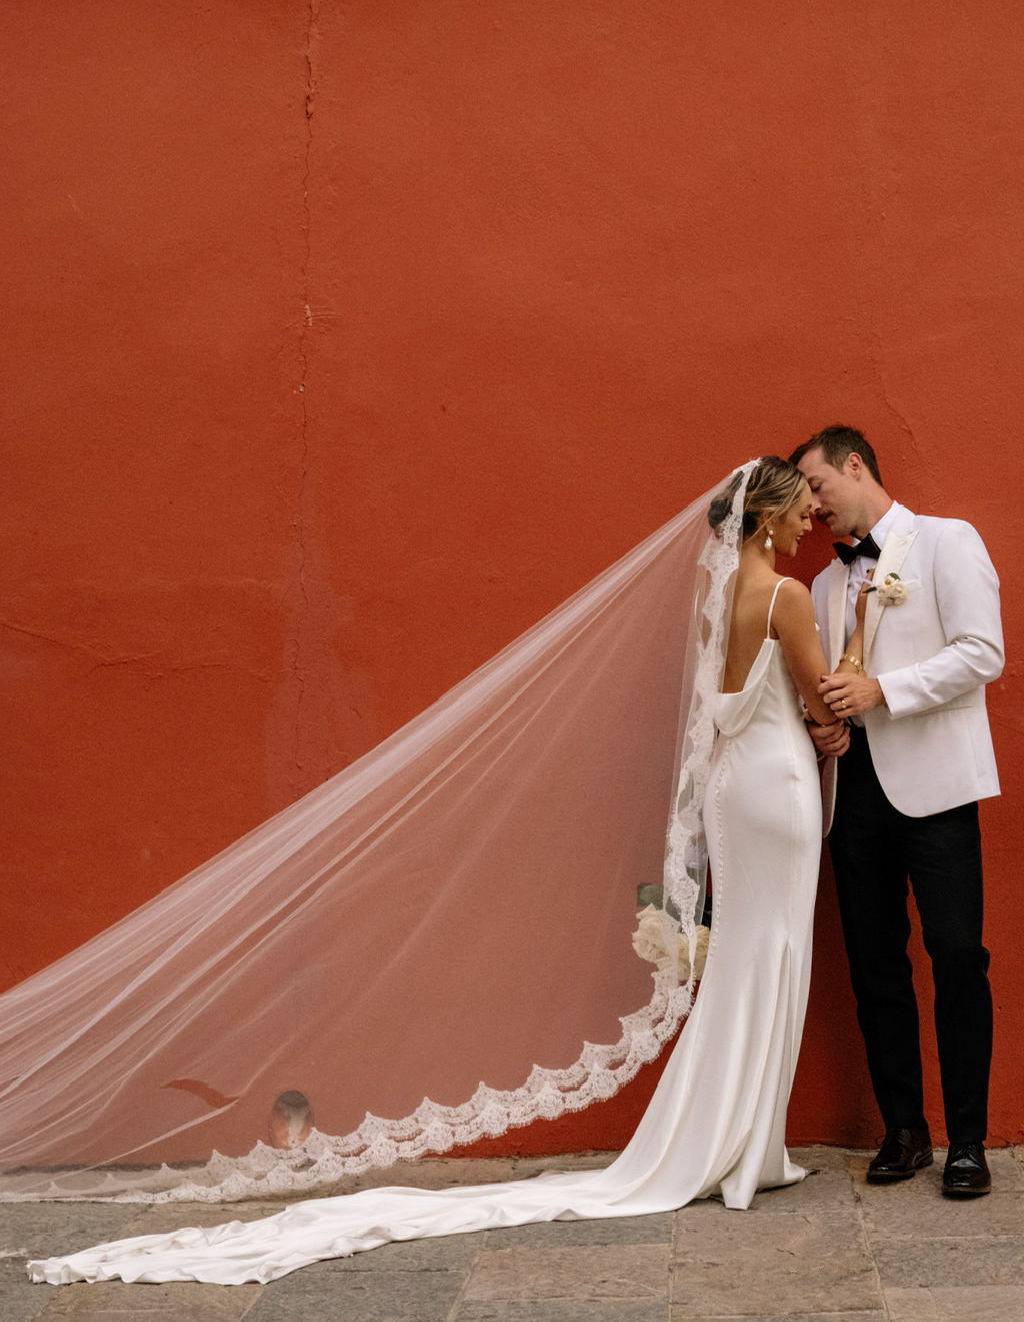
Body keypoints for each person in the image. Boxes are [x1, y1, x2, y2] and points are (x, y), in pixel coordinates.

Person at [25, 458, 835, 1286]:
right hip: (778, 783)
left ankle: (730, 1140)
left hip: (737, 790)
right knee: (774, 949)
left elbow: (717, 704)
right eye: (802, 512)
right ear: (766, 516)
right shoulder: (788, 597)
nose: (812, 524)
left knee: (745, 951)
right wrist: (843, 713)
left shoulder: (715, 599)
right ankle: (744, 1148)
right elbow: (820, 697)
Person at [791, 425, 1002, 1199]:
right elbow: (820, 692)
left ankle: (968, 1143)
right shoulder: (818, 589)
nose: (810, 507)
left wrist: (886, 690)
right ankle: (904, 1131)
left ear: (856, 466)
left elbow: (985, 652)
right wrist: (823, 723)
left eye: (817, 487)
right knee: (876, 967)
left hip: (936, 793)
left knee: (956, 959)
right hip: (853, 796)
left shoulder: (948, 542)